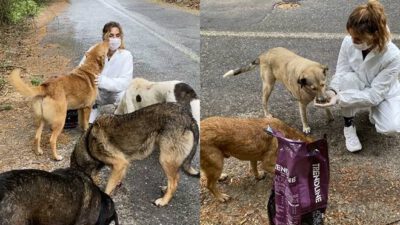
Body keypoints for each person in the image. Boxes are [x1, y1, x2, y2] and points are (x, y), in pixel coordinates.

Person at [315, 0, 400, 152]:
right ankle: (349, 125)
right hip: (357, 82)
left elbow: (375, 95)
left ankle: (374, 113)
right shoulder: (348, 41)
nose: (352, 40)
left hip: (382, 92)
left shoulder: (393, 56)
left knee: (392, 127)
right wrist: (332, 92)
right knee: (346, 79)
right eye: (351, 35)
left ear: (374, 35)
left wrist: (340, 99)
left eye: (358, 39)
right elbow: (341, 71)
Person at [83, 21, 133, 124]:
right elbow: (81, 69)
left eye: (117, 35)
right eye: (111, 35)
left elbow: (125, 82)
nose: (115, 39)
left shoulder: (126, 55)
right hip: (97, 93)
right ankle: (93, 110)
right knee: (89, 125)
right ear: (105, 37)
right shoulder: (94, 50)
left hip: (115, 93)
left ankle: (121, 117)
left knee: (125, 95)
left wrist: (103, 81)